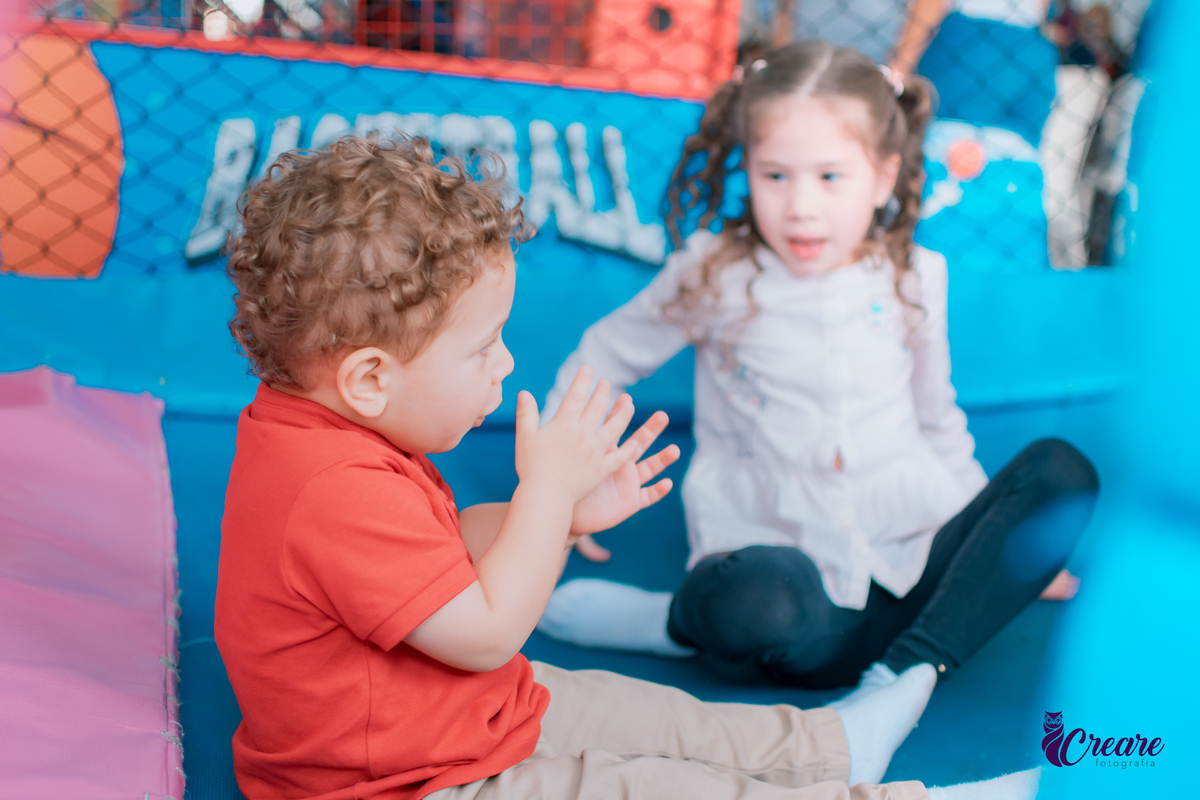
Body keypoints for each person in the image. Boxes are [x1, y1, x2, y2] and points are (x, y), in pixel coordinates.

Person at [213, 133, 1042, 800]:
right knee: (653, 789)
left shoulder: (316, 429)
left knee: (642, 714)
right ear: (369, 379)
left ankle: (831, 747)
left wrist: (560, 516)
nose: (507, 365)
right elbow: (486, 634)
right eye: (481, 349)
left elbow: (444, 548)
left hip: (454, 719)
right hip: (409, 783)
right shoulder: (332, 488)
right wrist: (545, 492)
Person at [536, 41, 1099, 695]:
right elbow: (606, 354)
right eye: (776, 176)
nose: (801, 206)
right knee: (755, 601)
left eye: (831, 178)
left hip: (907, 555)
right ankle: (672, 624)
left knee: (1063, 474)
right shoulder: (716, 273)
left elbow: (935, 418)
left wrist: (998, 545)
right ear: (749, 169)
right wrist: (559, 485)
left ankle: (897, 681)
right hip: (792, 590)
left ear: (883, 177)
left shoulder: (914, 275)